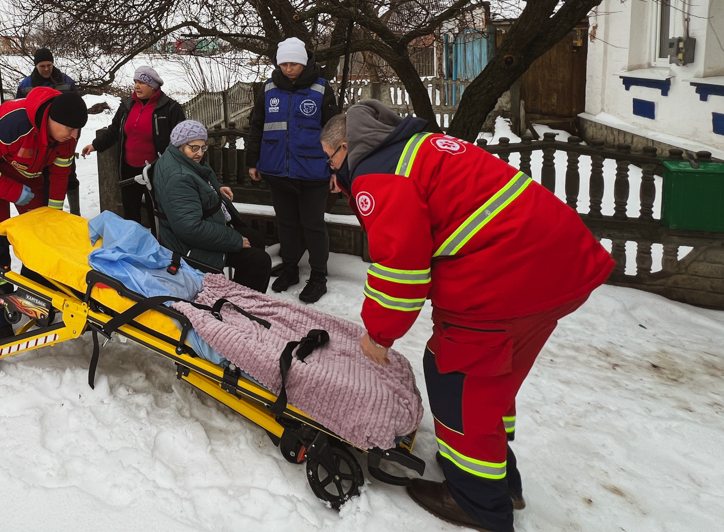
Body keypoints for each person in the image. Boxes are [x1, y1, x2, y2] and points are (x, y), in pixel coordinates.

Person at [319, 100, 614, 532]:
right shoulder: (415, 147)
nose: (332, 173)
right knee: (495, 377)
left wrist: (378, 336)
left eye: (330, 160)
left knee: (455, 377)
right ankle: (498, 478)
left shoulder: (377, 175)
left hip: (504, 279)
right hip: (551, 268)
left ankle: (479, 504)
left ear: (345, 146)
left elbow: (400, 268)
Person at [0, 87, 88, 339]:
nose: (74, 136)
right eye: (69, 130)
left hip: (31, 175)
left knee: (42, 240)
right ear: (51, 119)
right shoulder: (11, 124)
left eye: (77, 131)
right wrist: (13, 191)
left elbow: (60, 172)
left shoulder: (68, 131)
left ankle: (33, 299)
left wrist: (52, 215)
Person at [246, 37, 339, 303]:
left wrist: (336, 171)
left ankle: (318, 276)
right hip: (276, 169)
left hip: (313, 171)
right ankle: (290, 269)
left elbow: (336, 133)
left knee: (313, 225)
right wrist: (253, 162)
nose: (289, 68)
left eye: (294, 63)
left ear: (304, 62)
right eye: (284, 63)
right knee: (286, 224)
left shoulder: (321, 90)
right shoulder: (268, 88)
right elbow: (256, 126)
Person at [152, 120, 271, 293]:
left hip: (200, 225)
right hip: (185, 245)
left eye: (202, 147)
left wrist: (217, 187)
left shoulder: (180, 158)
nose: (199, 153)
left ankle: (237, 291)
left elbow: (203, 172)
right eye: (194, 148)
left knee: (256, 239)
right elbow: (190, 229)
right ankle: (240, 305)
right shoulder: (178, 178)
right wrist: (234, 240)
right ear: (180, 144)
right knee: (259, 262)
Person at [82, 65, 185, 226]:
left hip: (155, 169)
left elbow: (180, 140)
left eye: (142, 82)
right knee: (130, 211)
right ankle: (134, 241)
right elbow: (115, 129)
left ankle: (159, 242)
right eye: (135, 82)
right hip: (128, 168)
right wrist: (95, 145)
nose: (137, 86)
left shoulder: (170, 108)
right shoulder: (127, 106)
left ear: (153, 86)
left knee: (156, 211)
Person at [16, 48, 82, 215]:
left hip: (64, 139)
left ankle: (76, 212)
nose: (46, 69)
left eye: (49, 65)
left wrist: (74, 137)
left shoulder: (67, 82)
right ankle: (44, 213)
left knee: (69, 175)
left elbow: (77, 111)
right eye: (42, 66)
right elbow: (20, 113)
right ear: (36, 66)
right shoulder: (25, 86)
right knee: (42, 177)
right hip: (38, 140)